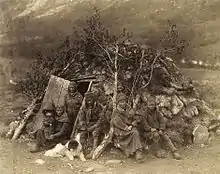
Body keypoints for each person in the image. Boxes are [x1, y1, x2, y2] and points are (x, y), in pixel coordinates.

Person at [141, 96, 181, 160]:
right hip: (148, 132)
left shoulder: (157, 113)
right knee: (156, 135)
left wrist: (161, 129)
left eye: (153, 105)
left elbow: (162, 121)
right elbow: (144, 124)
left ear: (155, 105)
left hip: (158, 130)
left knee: (165, 136)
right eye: (150, 105)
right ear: (147, 105)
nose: (151, 106)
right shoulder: (144, 114)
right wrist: (150, 129)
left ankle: (174, 151)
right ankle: (157, 151)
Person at [111, 94, 144, 163]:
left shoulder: (128, 109)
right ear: (118, 103)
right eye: (121, 102)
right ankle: (128, 149)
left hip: (129, 128)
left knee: (135, 132)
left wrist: (133, 123)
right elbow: (116, 122)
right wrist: (126, 127)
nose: (123, 103)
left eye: (124, 101)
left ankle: (138, 152)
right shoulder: (116, 112)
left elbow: (135, 118)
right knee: (132, 133)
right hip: (120, 130)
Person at [77, 92, 105, 159]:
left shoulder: (99, 107)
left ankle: (94, 150)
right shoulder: (83, 108)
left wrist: (94, 126)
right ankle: (83, 149)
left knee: (95, 133)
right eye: (87, 100)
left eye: (90, 100)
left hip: (96, 124)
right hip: (87, 124)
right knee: (82, 134)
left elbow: (101, 119)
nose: (89, 102)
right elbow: (81, 117)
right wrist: (83, 125)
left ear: (94, 100)